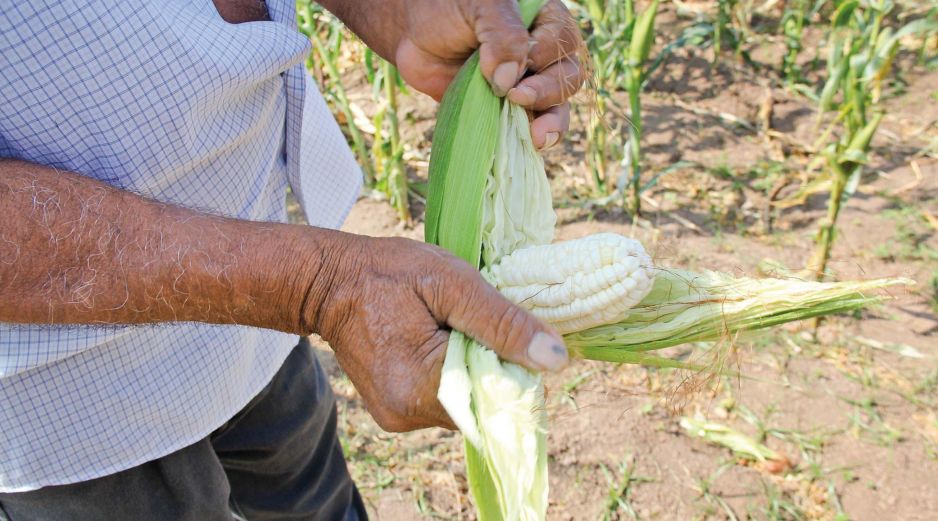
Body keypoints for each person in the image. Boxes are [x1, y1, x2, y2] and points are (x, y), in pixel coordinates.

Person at [0, 0, 585, 519]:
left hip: (262, 304)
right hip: (69, 398)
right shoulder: (312, 285)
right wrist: (317, 288)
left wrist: (394, 10)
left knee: (312, 496)